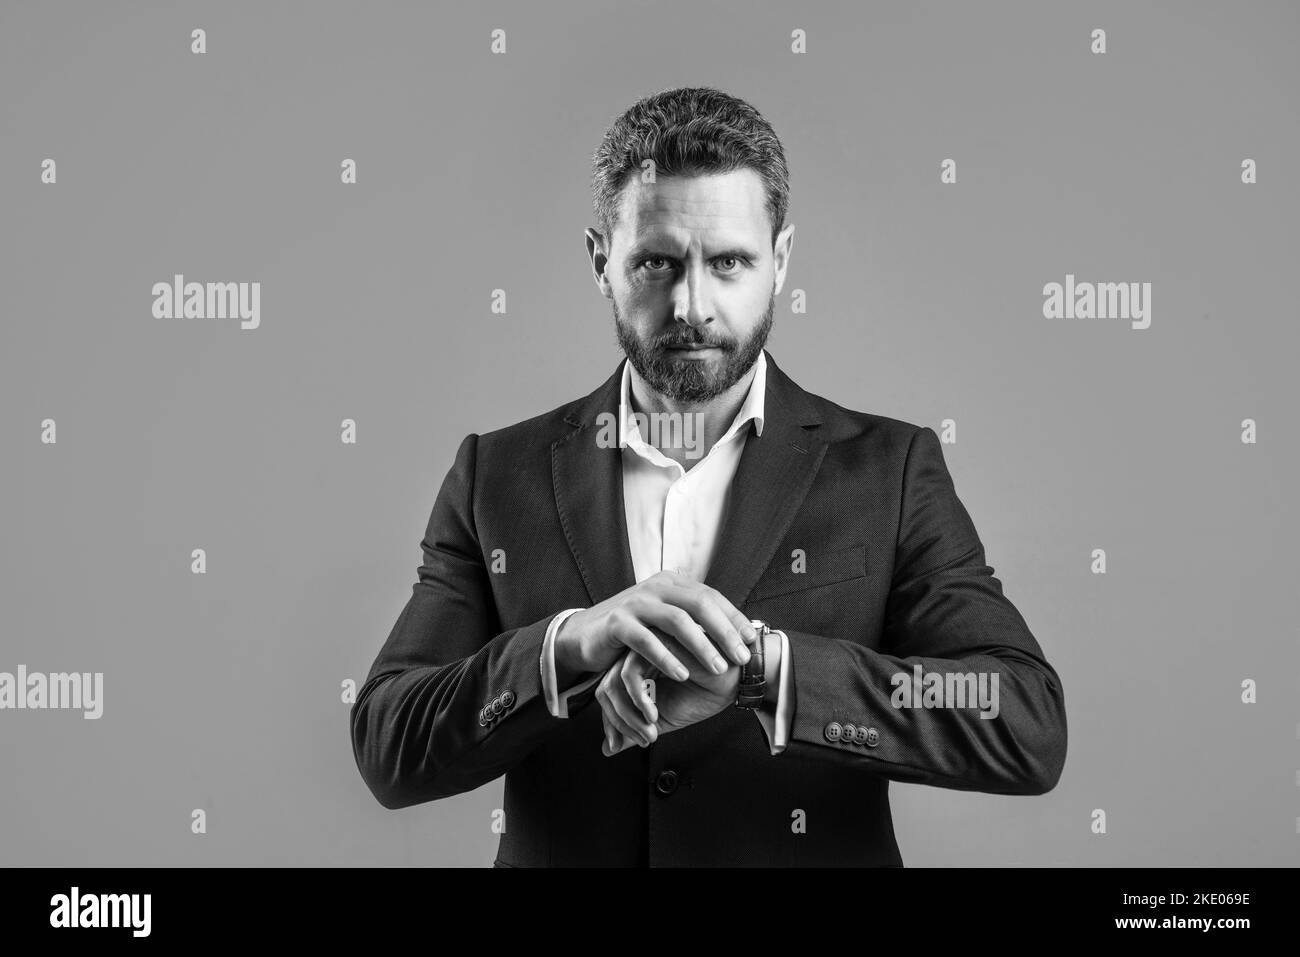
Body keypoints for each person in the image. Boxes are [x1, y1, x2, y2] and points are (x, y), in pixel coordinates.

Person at [350, 86, 1067, 867]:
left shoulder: (889, 471)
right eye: (658, 261)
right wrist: (565, 649)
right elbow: (389, 738)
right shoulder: (496, 475)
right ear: (601, 261)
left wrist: (768, 671)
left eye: (728, 261)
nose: (692, 305)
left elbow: (1018, 716)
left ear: (781, 261)